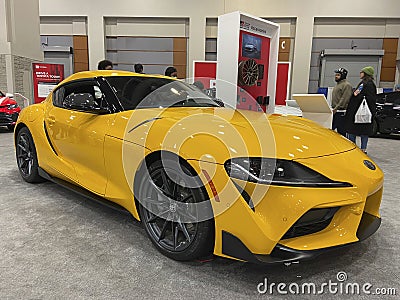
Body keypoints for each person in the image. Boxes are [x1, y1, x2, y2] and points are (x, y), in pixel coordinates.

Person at [345, 66, 377, 153]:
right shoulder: (371, 84)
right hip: (365, 113)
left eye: (362, 72)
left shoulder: (364, 84)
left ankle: (354, 147)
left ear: (365, 73)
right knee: (364, 133)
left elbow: (356, 95)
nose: (360, 73)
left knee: (352, 131)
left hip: (358, 112)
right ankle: (363, 149)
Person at [331, 67, 353, 136]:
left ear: (343, 75)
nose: (336, 76)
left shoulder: (346, 85)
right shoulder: (338, 85)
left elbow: (344, 99)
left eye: (338, 75)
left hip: (341, 113)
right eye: (336, 75)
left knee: (341, 132)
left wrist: (336, 108)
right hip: (335, 112)